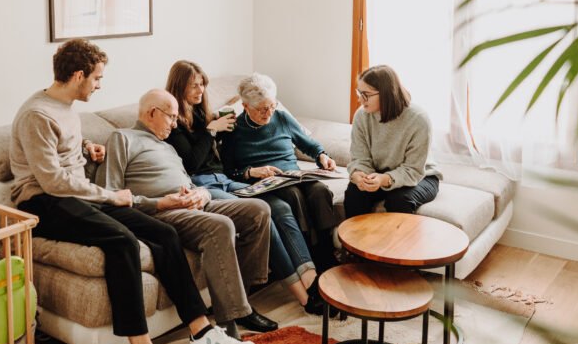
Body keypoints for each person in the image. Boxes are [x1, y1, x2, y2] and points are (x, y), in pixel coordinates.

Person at [10, 39, 256, 344]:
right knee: (122, 241)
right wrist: (111, 195)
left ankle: (201, 333)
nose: (99, 84)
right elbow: (51, 180)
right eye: (96, 78)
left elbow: (60, 153)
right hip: (44, 202)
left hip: (74, 196)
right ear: (78, 75)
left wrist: (84, 150)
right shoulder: (36, 114)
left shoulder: (66, 107)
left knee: (164, 232)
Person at [99, 88, 277, 344]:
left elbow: (191, 183)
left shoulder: (167, 146)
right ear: (151, 113)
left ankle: (243, 301)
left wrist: (202, 195)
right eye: (171, 117)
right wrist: (160, 202)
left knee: (258, 210)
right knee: (222, 227)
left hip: (193, 205)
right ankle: (230, 328)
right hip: (164, 213)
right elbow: (111, 195)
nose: (174, 123)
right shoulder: (123, 138)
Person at [165, 60, 323, 315]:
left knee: (280, 207)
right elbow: (192, 164)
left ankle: (311, 278)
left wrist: (215, 121)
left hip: (224, 180)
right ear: (178, 86)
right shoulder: (173, 121)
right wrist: (210, 132)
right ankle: (305, 298)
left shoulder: (200, 113)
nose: (200, 90)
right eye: (193, 86)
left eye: (202, 84)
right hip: (202, 184)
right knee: (265, 213)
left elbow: (222, 162)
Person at [220, 73, 339, 274]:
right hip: (265, 183)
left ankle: (325, 250)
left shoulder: (281, 118)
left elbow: (309, 145)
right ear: (245, 106)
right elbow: (227, 170)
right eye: (261, 110)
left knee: (319, 191)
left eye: (272, 106)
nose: (268, 114)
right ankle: (310, 255)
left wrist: (322, 156)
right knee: (292, 195)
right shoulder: (233, 130)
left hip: (293, 175)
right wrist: (251, 172)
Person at [345, 65, 441, 219]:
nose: (360, 99)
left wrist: (384, 179)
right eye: (359, 93)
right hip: (379, 174)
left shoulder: (418, 119)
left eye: (366, 94)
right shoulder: (361, 116)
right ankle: (352, 243)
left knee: (399, 200)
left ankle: (398, 244)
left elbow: (414, 169)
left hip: (422, 176)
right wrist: (359, 175)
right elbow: (359, 157)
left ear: (385, 94)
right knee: (355, 193)